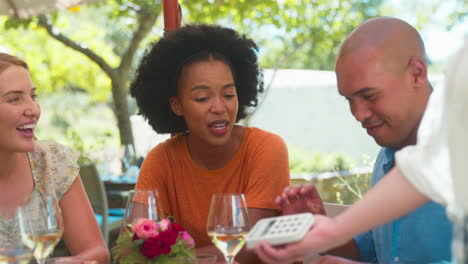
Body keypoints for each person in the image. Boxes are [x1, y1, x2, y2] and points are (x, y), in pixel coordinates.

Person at [253, 35, 468, 264]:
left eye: (369, 96)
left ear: (416, 74)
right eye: (349, 100)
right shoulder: (386, 159)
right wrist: (325, 228)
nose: (358, 114)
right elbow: (374, 253)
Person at [130, 24, 290, 263]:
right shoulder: (161, 160)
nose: (219, 107)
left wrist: (173, 258)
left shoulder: (266, 148)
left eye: (228, 95)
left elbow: (251, 248)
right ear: (177, 106)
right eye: (202, 98)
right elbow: (132, 247)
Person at [0, 53, 109, 263]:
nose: (33, 110)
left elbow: (97, 251)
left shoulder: (51, 162)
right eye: (14, 99)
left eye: (33, 96)